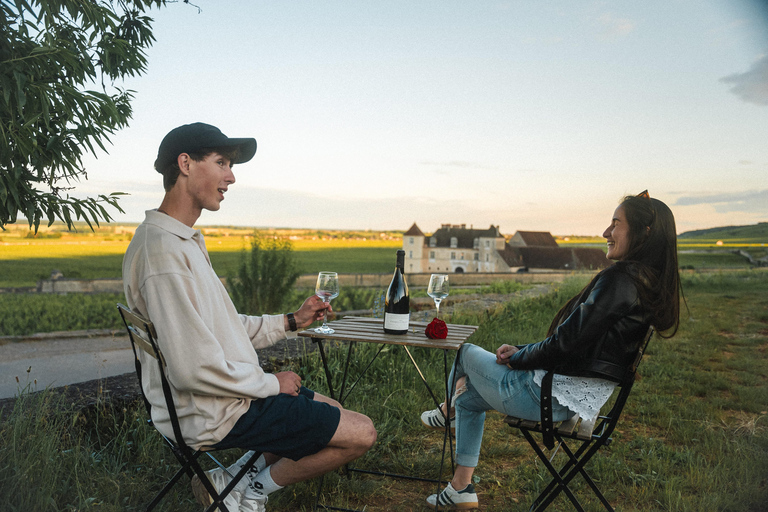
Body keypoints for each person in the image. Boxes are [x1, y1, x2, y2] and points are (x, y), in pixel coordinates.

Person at [122, 122, 377, 512]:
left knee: (336, 411)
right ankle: (249, 495)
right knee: (361, 433)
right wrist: (270, 384)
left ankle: (228, 482)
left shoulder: (179, 241)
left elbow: (224, 327)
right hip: (213, 413)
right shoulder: (164, 254)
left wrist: (291, 321)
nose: (231, 176)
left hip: (224, 401)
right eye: (221, 162)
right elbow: (192, 370)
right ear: (186, 164)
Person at [419, 191, 682, 510]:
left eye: (615, 224)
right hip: (574, 398)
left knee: (464, 352)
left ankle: (445, 411)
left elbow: (564, 344)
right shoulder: (647, 281)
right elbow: (576, 340)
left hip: (543, 398)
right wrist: (523, 350)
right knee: (469, 400)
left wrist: (517, 357)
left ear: (644, 232)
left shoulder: (619, 281)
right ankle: (461, 487)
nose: (606, 233)